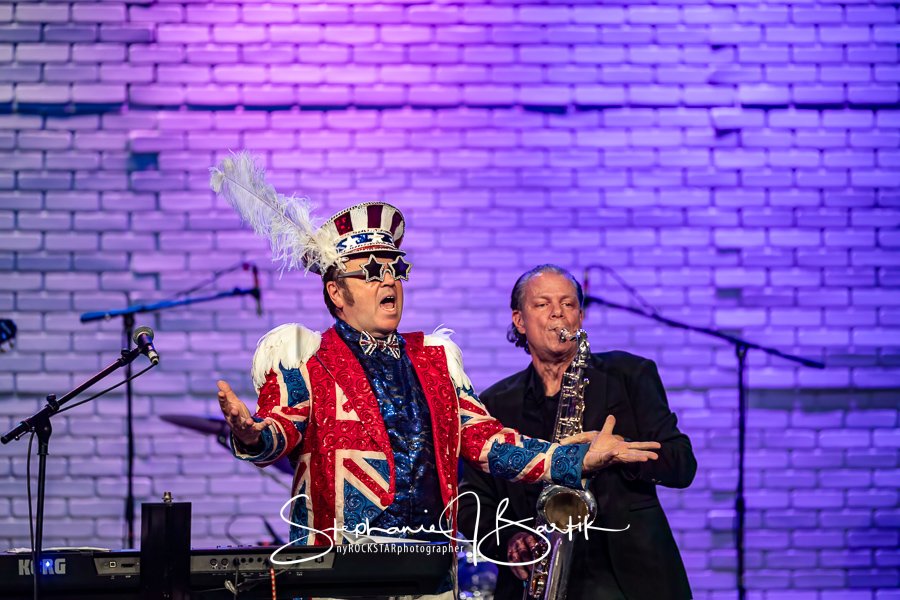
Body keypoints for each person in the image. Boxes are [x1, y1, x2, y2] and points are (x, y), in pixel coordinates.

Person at [208, 154, 661, 596]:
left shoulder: (435, 359)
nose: (388, 281)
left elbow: (487, 442)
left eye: (395, 269)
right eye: (371, 272)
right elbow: (280, 430)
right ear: (336, 292)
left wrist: (575, 459)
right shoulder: (306, 356)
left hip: (429, 573)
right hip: (339, 577)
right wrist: (252, 434)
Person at [457, 265, 696, 600]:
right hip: (537, 575)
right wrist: (508, 538)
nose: (558, 312)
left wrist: (623, 451)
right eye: (543, 304)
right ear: (519, 320)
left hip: (626, 575)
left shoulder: (630, 375)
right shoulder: (496, 402)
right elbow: (471, 500)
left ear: (580, 318)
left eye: (568, 304)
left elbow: (682, 464)